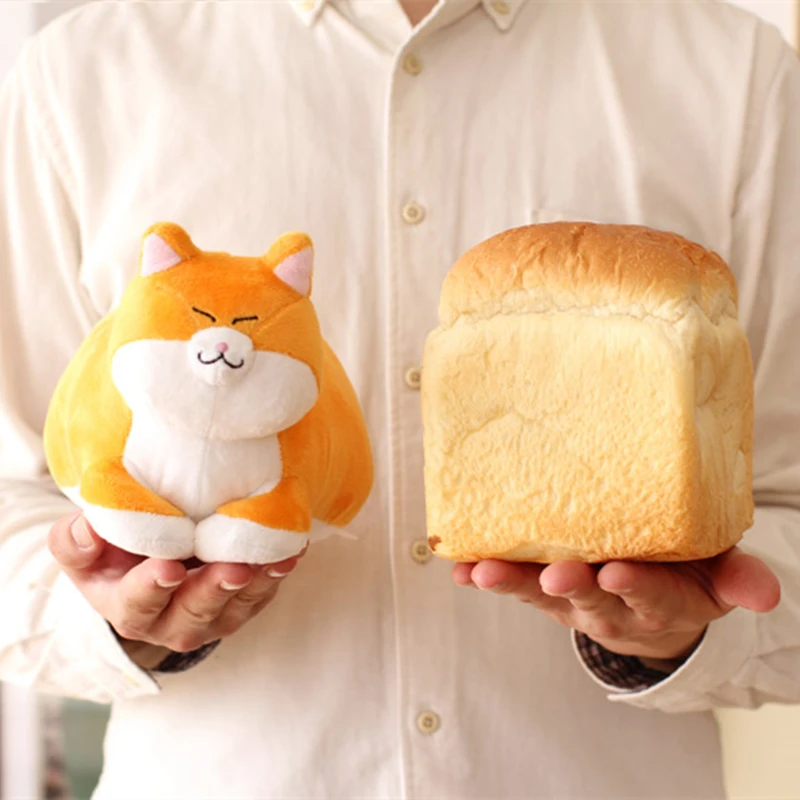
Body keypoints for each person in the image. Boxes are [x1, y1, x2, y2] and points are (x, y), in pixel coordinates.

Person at [1, 0, 799, 797]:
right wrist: (116, 619)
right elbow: (12, 502)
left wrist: (675, 639)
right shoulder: (82, 76)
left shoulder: (734, 75)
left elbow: (786, 503)